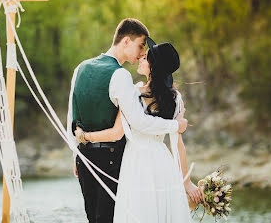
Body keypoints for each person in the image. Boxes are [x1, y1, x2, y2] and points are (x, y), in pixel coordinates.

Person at [66, 18, 189, 223]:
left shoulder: (80, 68)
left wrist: (75, 153)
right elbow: (137, 121)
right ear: (125, 42)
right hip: (113, 158)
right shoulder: (120, 75)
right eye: (141, 45)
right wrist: (175, 125)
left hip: (85, 157)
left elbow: (72, 116)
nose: (142, 52)